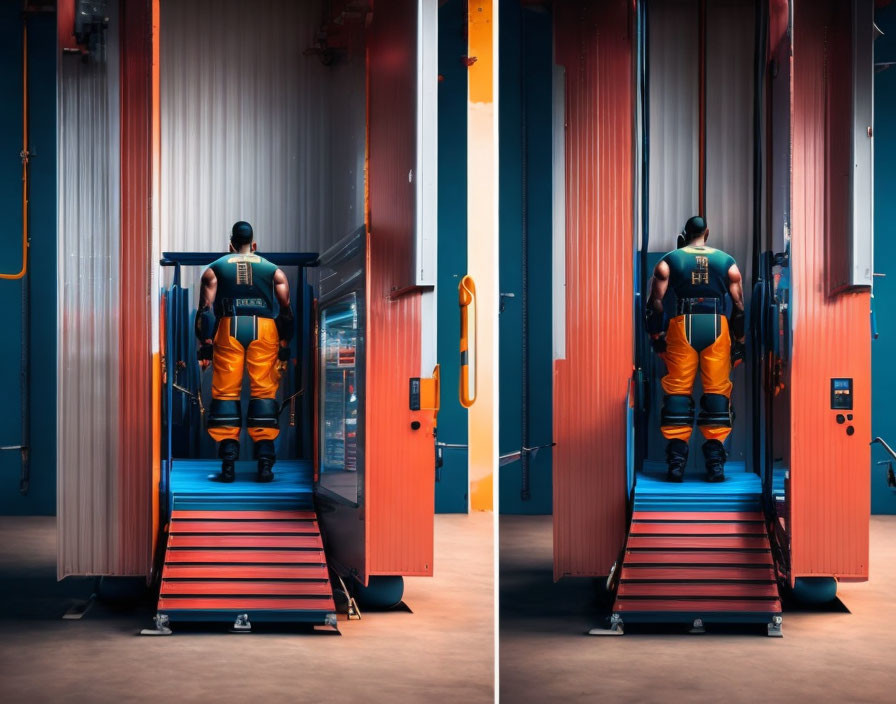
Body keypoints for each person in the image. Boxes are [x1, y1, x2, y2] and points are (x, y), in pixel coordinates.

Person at [645, 216, 746, 482]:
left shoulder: (669, 260)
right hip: (716, 325)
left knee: (677, 390)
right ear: (707, 232)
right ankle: (715, 463)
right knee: (717, 391)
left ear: (684, 233)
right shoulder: (727, 262)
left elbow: (655, 303)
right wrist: (741, 343)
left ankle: (676, 463)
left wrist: (656, 336)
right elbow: (739, 308)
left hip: (682, 323)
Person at [194, 221, 293, 483]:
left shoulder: (214, 270)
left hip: (229, 326)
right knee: (264, 390)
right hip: (265, 328)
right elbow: (286, 311)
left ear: (230, 246)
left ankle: (228, 464)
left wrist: (204, 345)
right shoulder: (275, 272)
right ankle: (265, 465)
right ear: (255, 245)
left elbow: (204, 310)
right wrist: (284, 345)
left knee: (226, 390)